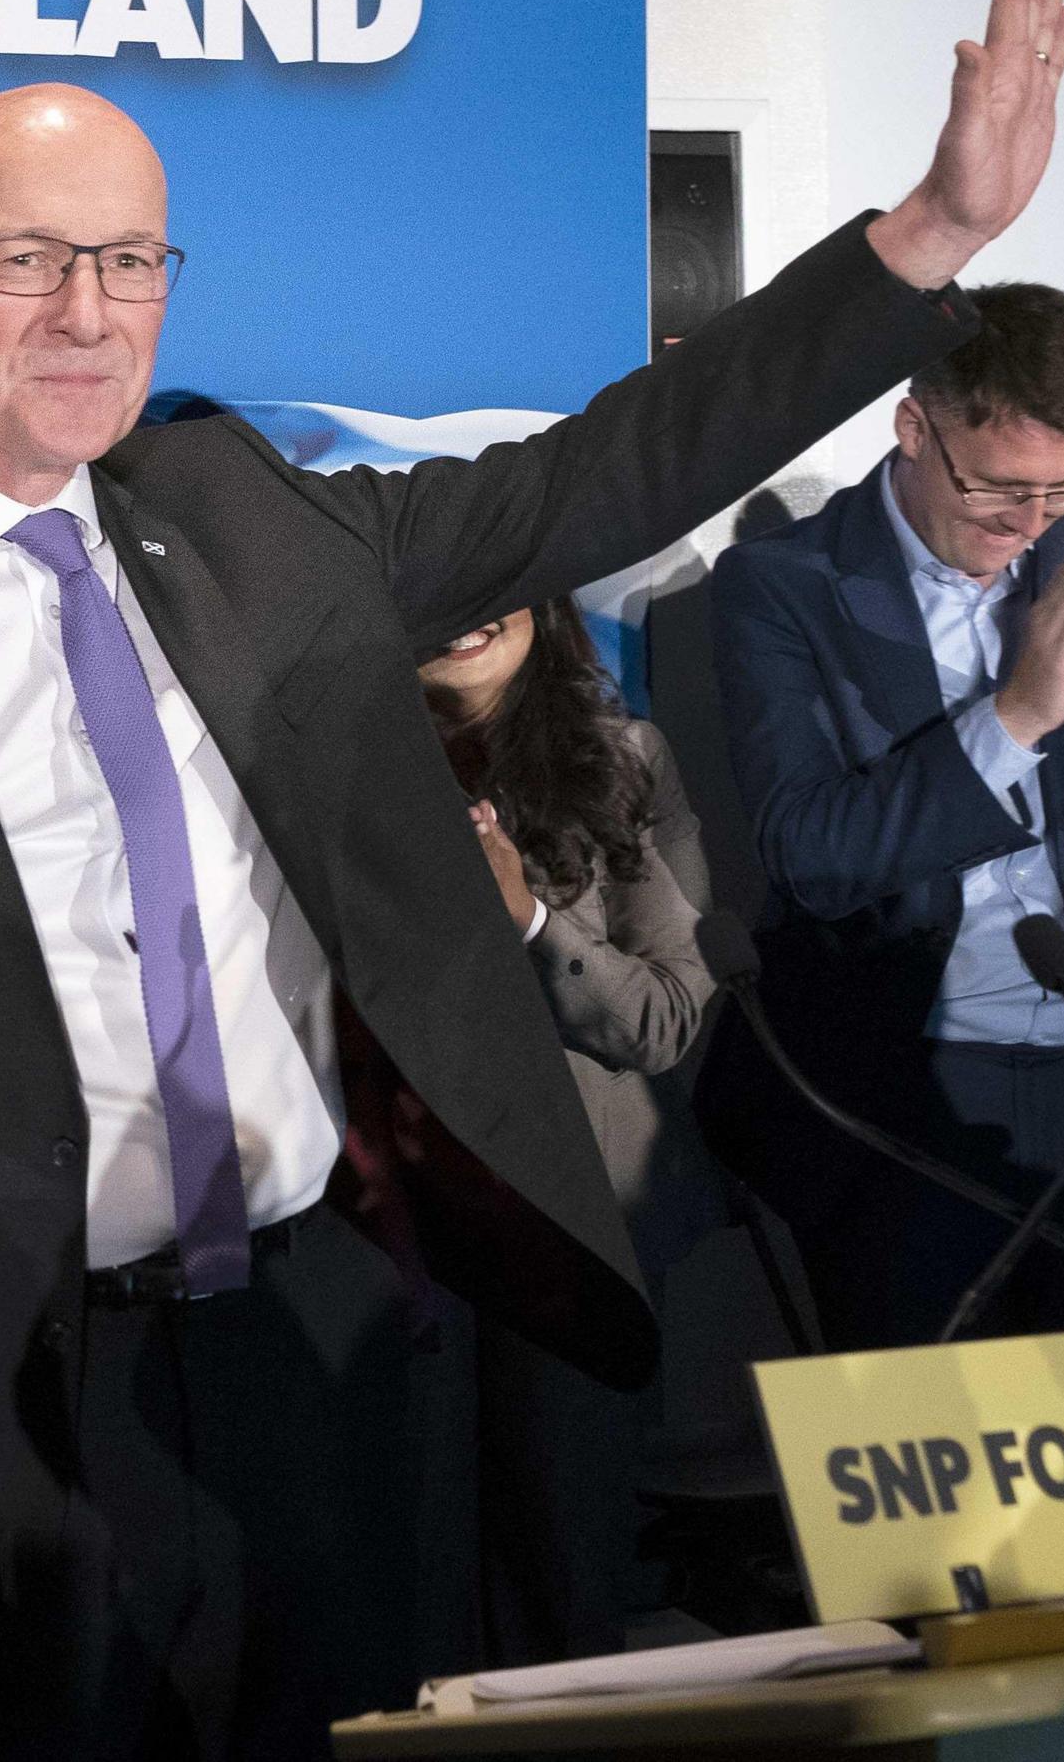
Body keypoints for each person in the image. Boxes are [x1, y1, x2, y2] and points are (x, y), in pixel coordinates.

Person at [0, 0, 1064, 1760]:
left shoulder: (236, 515)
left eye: (132, 260)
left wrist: (929, 237)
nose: (89, 312)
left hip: (324, 1365)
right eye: (31, 258)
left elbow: (603, 466)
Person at [704, 285, 1064, 1354]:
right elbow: (811, 855)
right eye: (1000, 488)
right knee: (930, 1493)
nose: (1030, 525)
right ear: (914, 425)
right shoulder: (784, 585)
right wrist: (1011, 718)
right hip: (900, 1110)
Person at [417, 600, 717, 1667]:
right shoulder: (332, 758)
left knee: (561, 1574)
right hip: (384, 1228)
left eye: (488, 585)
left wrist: (531, 925)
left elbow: (668, 1016)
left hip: (574, 1227)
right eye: (433, 588)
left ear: (541, 601)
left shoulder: (625, 761)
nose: (462, 616)